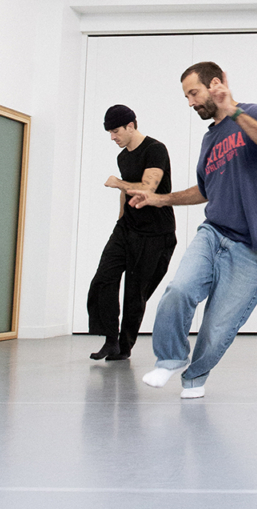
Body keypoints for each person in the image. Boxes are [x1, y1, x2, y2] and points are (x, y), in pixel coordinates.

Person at [129, 61, 257, 399]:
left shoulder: (256, 113)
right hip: (213, 232)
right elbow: (205, 190)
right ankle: (169, 358)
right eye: (186, 96)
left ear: (216, 84)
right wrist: (159, 199)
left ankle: (194, 379)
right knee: (179, 290)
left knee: (217, 328)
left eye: (194, 93)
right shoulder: (209, 140)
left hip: (254, 245)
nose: (190, 102)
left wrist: (233, 111)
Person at [87, 104, 177, 361]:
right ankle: (111, 340)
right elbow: (125, 194)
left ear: (131, 125)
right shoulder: (123, 156)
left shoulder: (155, 149)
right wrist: (120, 221)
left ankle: (124, 347)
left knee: (135, 293)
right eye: (110, 133)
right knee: (103, 279)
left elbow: (147, 188)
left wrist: (118, 183)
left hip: (156, 233)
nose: (112, 137)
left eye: (116, 131)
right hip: (127, 228)